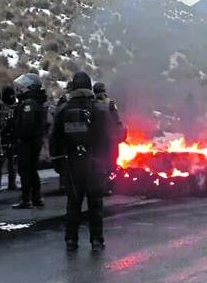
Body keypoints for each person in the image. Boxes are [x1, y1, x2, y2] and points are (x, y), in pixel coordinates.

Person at [50, 72, 109, 252]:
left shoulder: (63, 109)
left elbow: (55, 140)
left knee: (73, 204)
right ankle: (97, 240)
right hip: (94, 165)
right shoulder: (99, 109)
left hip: (72, 164)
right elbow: (107, 139)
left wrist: (59, 165)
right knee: (95, 205)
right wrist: (107, 164)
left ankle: (71, 240)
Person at [10, 73, 48, 209]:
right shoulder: (34, 101)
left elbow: (27, 124)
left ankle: (26, 199)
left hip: (27, 141)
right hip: (34, 140)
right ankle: (36, 197)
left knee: (25, 170)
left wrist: (19, 137)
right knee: (32, 170)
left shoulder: (29, 103)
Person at [93, 82, 127, 190]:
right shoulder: (110, 103)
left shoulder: (91, 103)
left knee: (99, 161)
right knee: (111, 160)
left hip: (97, 138)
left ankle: (100, 184)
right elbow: (117, 120)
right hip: (111, 137)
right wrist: (121, 134)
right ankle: (110, 184)